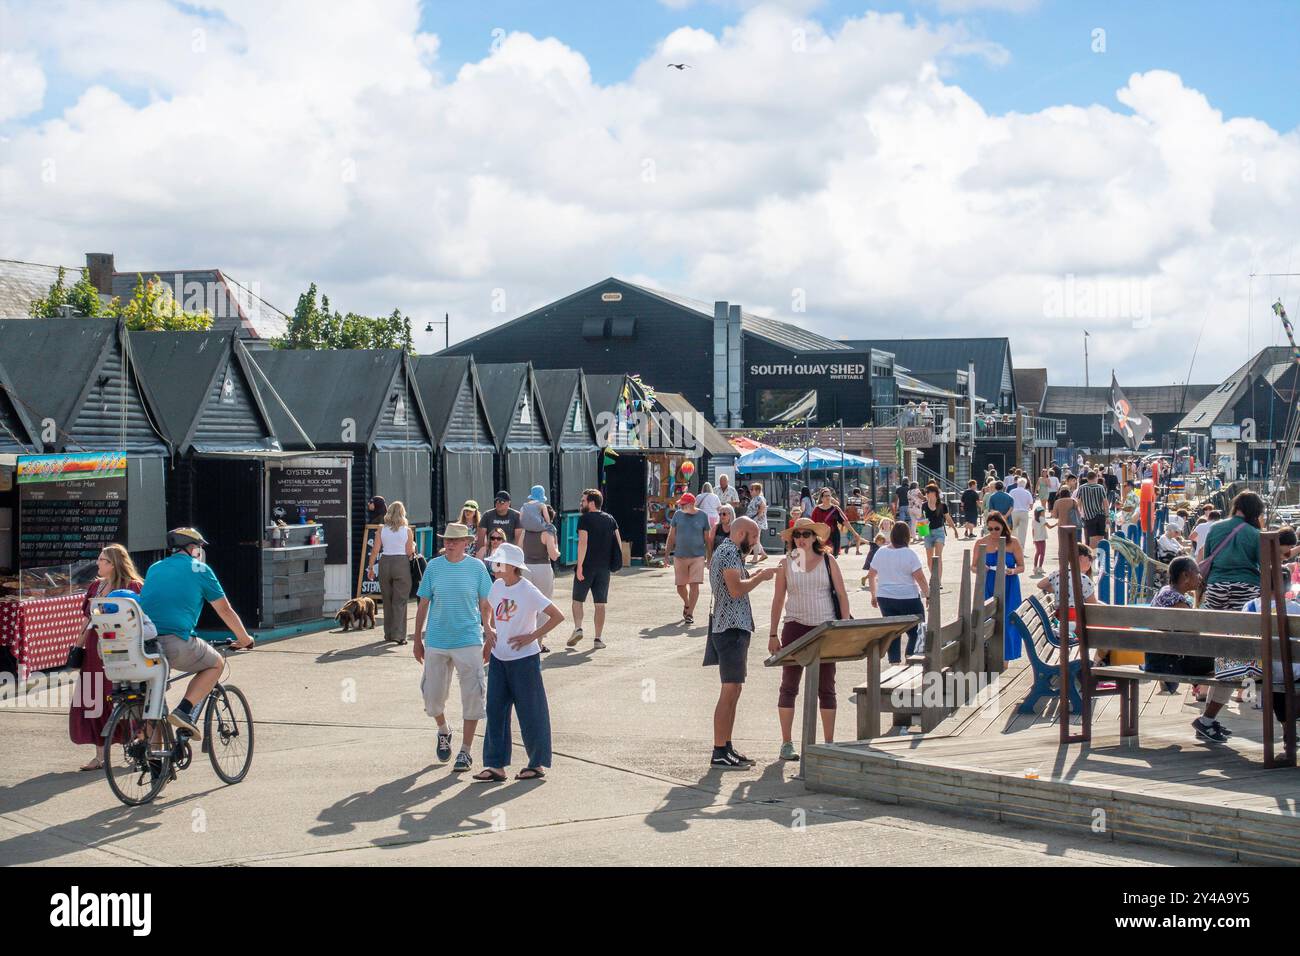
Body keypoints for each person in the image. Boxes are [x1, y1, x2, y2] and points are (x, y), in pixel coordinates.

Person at [138, 528, 255, 739]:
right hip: (176, 641)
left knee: (154, 697)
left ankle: (157, 763)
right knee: (216, 663)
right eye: (199, 547)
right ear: (192, 548)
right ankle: (184, 710)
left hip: (144, 644)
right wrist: (245, 639)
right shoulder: (200, 569)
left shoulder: (155, 568)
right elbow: (224, 610)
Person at [473, 543, 562, 783]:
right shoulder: (498, 585)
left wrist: (532, 637)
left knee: (531, 712)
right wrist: (488, 630)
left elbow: (557, 616)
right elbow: (486, 607)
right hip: (499, 659)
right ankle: (495, 766)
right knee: (495, 710)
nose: (493, 566)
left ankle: (537, 764)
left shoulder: (528, 590)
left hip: (525, 661)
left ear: (512, 567)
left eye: (498, 562)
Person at [413, 521, 495, 772]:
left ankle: (466, 752)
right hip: (437, 640)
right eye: (446, 539)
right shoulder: (434, 568)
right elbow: (423, 604)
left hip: (468, 638)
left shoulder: (477, 568)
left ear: (466, 544)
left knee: (473, 695)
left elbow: (485, 603)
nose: (448, 543)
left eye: (454, 540)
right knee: (432, 696)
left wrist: (488, 630)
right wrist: (417, 639)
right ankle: (443, 730)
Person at [768, 517, 851, 761]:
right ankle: (786, 742)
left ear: (816, 537)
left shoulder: (828, 560)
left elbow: (842, 595)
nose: (801, 539)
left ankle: (827, 743)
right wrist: (773, 633)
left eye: (806, 534)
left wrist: (843, 627)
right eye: (797, 535)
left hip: (825, 627)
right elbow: (778, 599)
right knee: (789, 686)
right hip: (795, 625)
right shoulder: (786, 563)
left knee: (827, 686)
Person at [705, 515, 776, 768]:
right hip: (730, 628)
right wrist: (760, 578)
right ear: (741, 533)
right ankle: (719, 750)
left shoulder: (730, 552)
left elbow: (734, 583)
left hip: (733, 627)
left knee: (734, 690)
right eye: (754, 535)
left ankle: (726, 746)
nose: (756, 541)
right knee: (729, 690)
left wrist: (753, 574)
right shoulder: (728, 552)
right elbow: (735, 589)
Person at [69, 544, 143, 771]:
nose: (98, 563)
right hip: (95, 648)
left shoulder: (134, 586)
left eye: (103, 560)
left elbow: (142, 620)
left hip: (121, 647)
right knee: (94, 698)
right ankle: (100, 755)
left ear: (114, 563)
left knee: (123, 696)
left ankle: (137, 745)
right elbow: (87, 620)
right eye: (99, 559)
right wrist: (77, 647)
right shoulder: (95, 587)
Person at [568, 488, 621, 649]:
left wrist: (580, 566)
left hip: (587, 567)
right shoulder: (610, 519)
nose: (581, 503)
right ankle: (598, 639)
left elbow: (583, 543)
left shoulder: (585, 519)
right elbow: (618, 542)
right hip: (603, 569)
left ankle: (578, 628)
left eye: (583, 501)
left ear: (591, 503)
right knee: (600, 604)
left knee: (577, 600)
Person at [868, 520, 928, 663]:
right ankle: (911, 657)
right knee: (917, 631)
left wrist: (873, 595)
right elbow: (920, 578)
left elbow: (871, 575)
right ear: (907, 537)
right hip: (908, 598)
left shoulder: (880, 552)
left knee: (892, 632)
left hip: (885, 597)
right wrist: (928, 595)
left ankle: (894, 661)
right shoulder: (910, 554)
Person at [973, 511, 1023, 661]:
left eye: (996, 528)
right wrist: (981, 568)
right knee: (989, 619)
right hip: (988, 582)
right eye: (990, 529)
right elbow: (973, 566)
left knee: (1008, 621)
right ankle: (990, 658)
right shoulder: (981, 542)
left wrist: (1012, 570)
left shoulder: (1013, 542)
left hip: (1009, 584)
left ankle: (1006, 658)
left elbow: (1022, 566)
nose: (993, 532)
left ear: (1003, 527)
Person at [366, 500, 416, 644]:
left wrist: (370, 568)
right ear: (402, 513)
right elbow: (409, 552)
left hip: (385, 562)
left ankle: (388, 634)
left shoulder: (381, 529)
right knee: (400, 601)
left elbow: (375, 550)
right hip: (401, 563)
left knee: (387, 600)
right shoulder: (407, 530)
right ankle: (399, 635)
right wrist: (413, 546)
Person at [519, 489, 560, 653]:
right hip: (543, 567)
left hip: (526, 568)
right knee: (543, 604)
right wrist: (557, 551)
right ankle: (538, 642)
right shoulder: (547, 533)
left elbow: (519, 550)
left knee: (526, 605)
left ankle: (525, 637)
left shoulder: (525, 532)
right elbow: (553, 555)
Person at [667, 492, 711, 625]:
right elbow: (672, 535)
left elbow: (707, 539)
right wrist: (666, 554)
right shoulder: (678, 515)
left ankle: (690, 613)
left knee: (694, 585)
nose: (680, 506)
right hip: (679, 555)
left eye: (683, 504)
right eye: (680, 504)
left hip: (697, 556)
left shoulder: (703, 516)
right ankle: (687, 603)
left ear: (692, 504)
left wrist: (709, 557)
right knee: (680, 586)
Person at [918, 484, 957, 582]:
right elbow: (921, 518)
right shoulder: (924, 505)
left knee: (938, 556)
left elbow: (948, 518)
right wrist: (921, 524)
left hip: (939, 532)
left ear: (934, 493)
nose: (926, 494)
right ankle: (934, 577)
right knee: (930, 559)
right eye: (926, 492)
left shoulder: (942, 505)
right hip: (927, 532)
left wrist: (955, 529)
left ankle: (938, 580)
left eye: (928, 492)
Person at [811, 488, 849, 556]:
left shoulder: (835, 508)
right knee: (823, 555)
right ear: (822, 497)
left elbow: (844, 521)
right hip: (821, 536)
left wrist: (854, 533)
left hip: (833, 535)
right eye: (826, 496)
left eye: (829, 495)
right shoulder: (817, 509)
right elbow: (813, 524)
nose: (828, 497)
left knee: (832, 556)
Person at [1076, 471, 1109, 549]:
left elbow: (1078, 503)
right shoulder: (1100, 487)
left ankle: (1092, 558)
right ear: (1096, 477)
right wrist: (1107, 516)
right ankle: (1100, 558)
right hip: (1101, 515)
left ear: (1087, 478)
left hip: (1089, 516)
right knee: (1101, 538)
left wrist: (1079, 515)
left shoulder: (1081, 488)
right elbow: (1105, 503)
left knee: (1092, 539)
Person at [745, 482, 769, 563]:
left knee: (755, 539)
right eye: (750, 489)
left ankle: (755, 558)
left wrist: (756, 518)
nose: (750, 491)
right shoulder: (756, 498)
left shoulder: (759, 498)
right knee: (757, 539)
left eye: (752, 490)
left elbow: (762, 508)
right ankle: (763, 554)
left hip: (757, 522)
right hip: (755, 521)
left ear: (758, 491)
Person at [1008, 477, 1035, 546]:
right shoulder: (1027, 492)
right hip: (1024, 512)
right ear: (1025, 484)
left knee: (1014, 530)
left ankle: (1013, 545)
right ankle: (1021, 548)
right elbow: (1031, 506)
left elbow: (1009, 502)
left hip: (1014, 512)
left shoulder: (1012, 491)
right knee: (1023, 531)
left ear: (1017, 483)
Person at [1030, 505, 1050, 575]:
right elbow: (1049, 527)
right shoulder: (1042, 519)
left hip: (1036, 538)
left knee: (1038, 552)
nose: (1044, 513)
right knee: (1042, 553)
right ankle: (1040, 567)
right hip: (1042, 538)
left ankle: (1035, 567)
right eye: (1043, 511)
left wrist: (1033, 538)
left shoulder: (1034, 520)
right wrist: (1057, 524)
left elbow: (1033, 530)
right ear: (1040, 512)